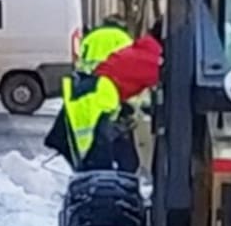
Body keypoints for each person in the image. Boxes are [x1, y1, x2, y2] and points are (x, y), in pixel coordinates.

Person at [45, 31, 162, 173]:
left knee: (111, 159)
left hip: (95, 91)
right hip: (102, 97)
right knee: (101, 159)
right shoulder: (154, 60)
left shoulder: (139, 52)